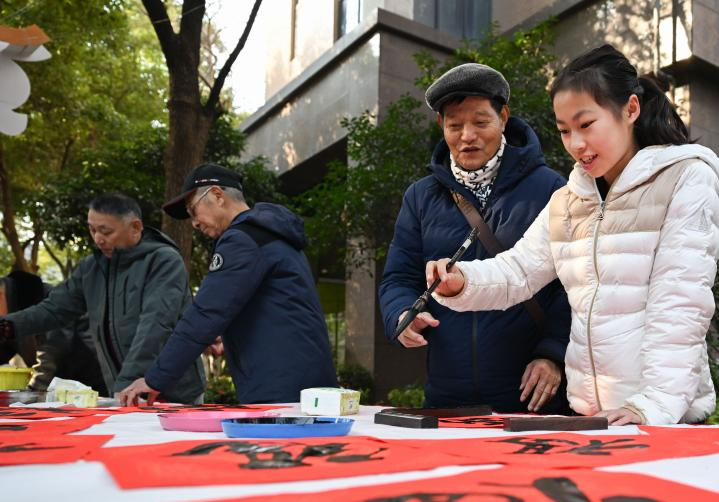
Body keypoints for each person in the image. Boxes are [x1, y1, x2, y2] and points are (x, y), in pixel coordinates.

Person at [425, 45, 719, 425]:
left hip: (663, 416)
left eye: (586, 125)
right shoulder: (569, 200)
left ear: (630, 110)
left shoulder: (684, 178)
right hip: (591, 416)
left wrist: (653, 405)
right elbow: (519, 271)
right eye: (564, 130)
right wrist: (461, 281)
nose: (576, 144)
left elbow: (681, 303)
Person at [379, 63, 571, 413]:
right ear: (441, 126)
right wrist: (402, 314)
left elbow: (573, 284)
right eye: (454, 125)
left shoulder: (551, 189)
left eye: (481, 122)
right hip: (447, 392)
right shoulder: (420, 197)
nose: (467, 135)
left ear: (504, 118)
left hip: (530, 394)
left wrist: (554, 353)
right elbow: (398, 277)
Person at [119, 164, 337, 405]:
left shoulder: (241, 240)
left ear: (217, 195)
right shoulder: (272, 234)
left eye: (193, 210)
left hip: (279, 386)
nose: (194, 223)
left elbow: (205, 313)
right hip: (304, 379)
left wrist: (155, 379)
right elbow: (276, 308)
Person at [0, 194, 205, 403]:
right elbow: (54, 309)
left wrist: (126, 381)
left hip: (173, 391)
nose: (98, 238)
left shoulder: (164, 261)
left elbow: (155, 325)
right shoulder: (92, 268)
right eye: (92, 229)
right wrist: (8, 326)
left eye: (106, 231)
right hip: (123, 390)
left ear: (135, 227)